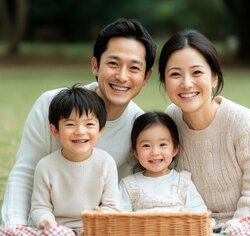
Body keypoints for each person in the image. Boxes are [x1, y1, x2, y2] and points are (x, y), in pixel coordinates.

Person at [1, 18, 156, 227]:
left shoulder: (141, 129)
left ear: (146, 77)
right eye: (113, 63)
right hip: (42, 228)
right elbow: (25, 172)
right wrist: (15, 227)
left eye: (134, 68)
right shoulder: (50, 104)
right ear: (95, 65)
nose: (121, 76)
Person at [158, 29, 250, 231]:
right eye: (175, 74)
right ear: (164, 82)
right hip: (202, 225)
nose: (186, 83)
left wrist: (232, 230)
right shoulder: (170, 119)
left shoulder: (243, 122)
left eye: (197, 72)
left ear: (214, 78)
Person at [30, 85, 121, 233]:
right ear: (55, 130)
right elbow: (40, 207)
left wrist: (98, 219)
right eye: (70, 124)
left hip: (93, 229)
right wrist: (46, 222)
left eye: (89, 124)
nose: (80, 131)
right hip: (57, 230)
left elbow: (112, 206)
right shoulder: (45, 166)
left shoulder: (106, 162)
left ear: (100, 130)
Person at [119, 111, 208, 213]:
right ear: (135, 152)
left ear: (174, 149)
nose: (155, 152)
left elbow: (199, 212)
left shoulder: (183, 182)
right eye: (146, 145)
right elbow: (120, 218)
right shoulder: (129, 185)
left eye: (162, 145)